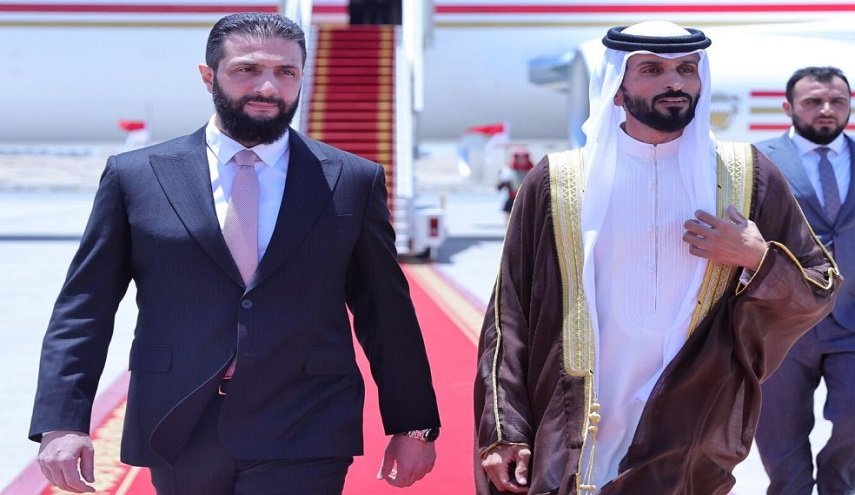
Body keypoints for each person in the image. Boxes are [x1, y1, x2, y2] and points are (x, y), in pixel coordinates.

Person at [30, 12, 439, 495]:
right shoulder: (136, 176)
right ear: (208, 76)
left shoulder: (352, 180)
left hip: (307, 421)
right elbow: (85, 306)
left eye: (286, 72)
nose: (268, 87)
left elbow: (385, 311)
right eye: (247, 69)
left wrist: (413, 425)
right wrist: (62, 420)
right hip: (178, 420)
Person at [473, 21, 841, 495]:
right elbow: (509, 314)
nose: (675, 82)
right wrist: (505, 428)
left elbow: (819, 285)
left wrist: (758, 258)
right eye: (652, 70)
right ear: (617, 88)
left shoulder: (746, 174)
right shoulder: (559, 181)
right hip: (577, 414)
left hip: (691, 418)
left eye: (687, 69)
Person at [754, 66, 855, 495]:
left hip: (851, 320)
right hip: (781, 323)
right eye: (813, 101)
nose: (826, 109)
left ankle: (839, 484)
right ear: (788, 107)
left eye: (837, 101)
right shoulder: (758, 161)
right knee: (780, 441)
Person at [496, 150, 534, 222]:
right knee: (509, 220)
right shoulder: (509, 171)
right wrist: (503, 181)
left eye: (523, 158)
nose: (521, 160)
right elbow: (499, 187)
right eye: (519, 158)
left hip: (528, 200)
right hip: (513, 199)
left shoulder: (532, 170)